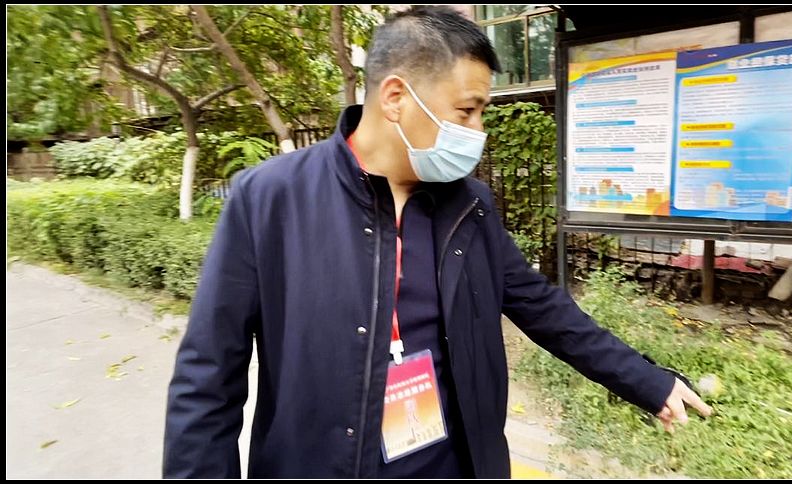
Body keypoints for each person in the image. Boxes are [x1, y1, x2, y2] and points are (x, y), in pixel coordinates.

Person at [163, 5, 711, 479]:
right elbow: (207, 378)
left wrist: (647, 381)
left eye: (482, 113)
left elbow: (542, 307)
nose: (477, 131)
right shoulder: (270, 199)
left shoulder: (468, 205)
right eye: (465, 111)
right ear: (396, 97)